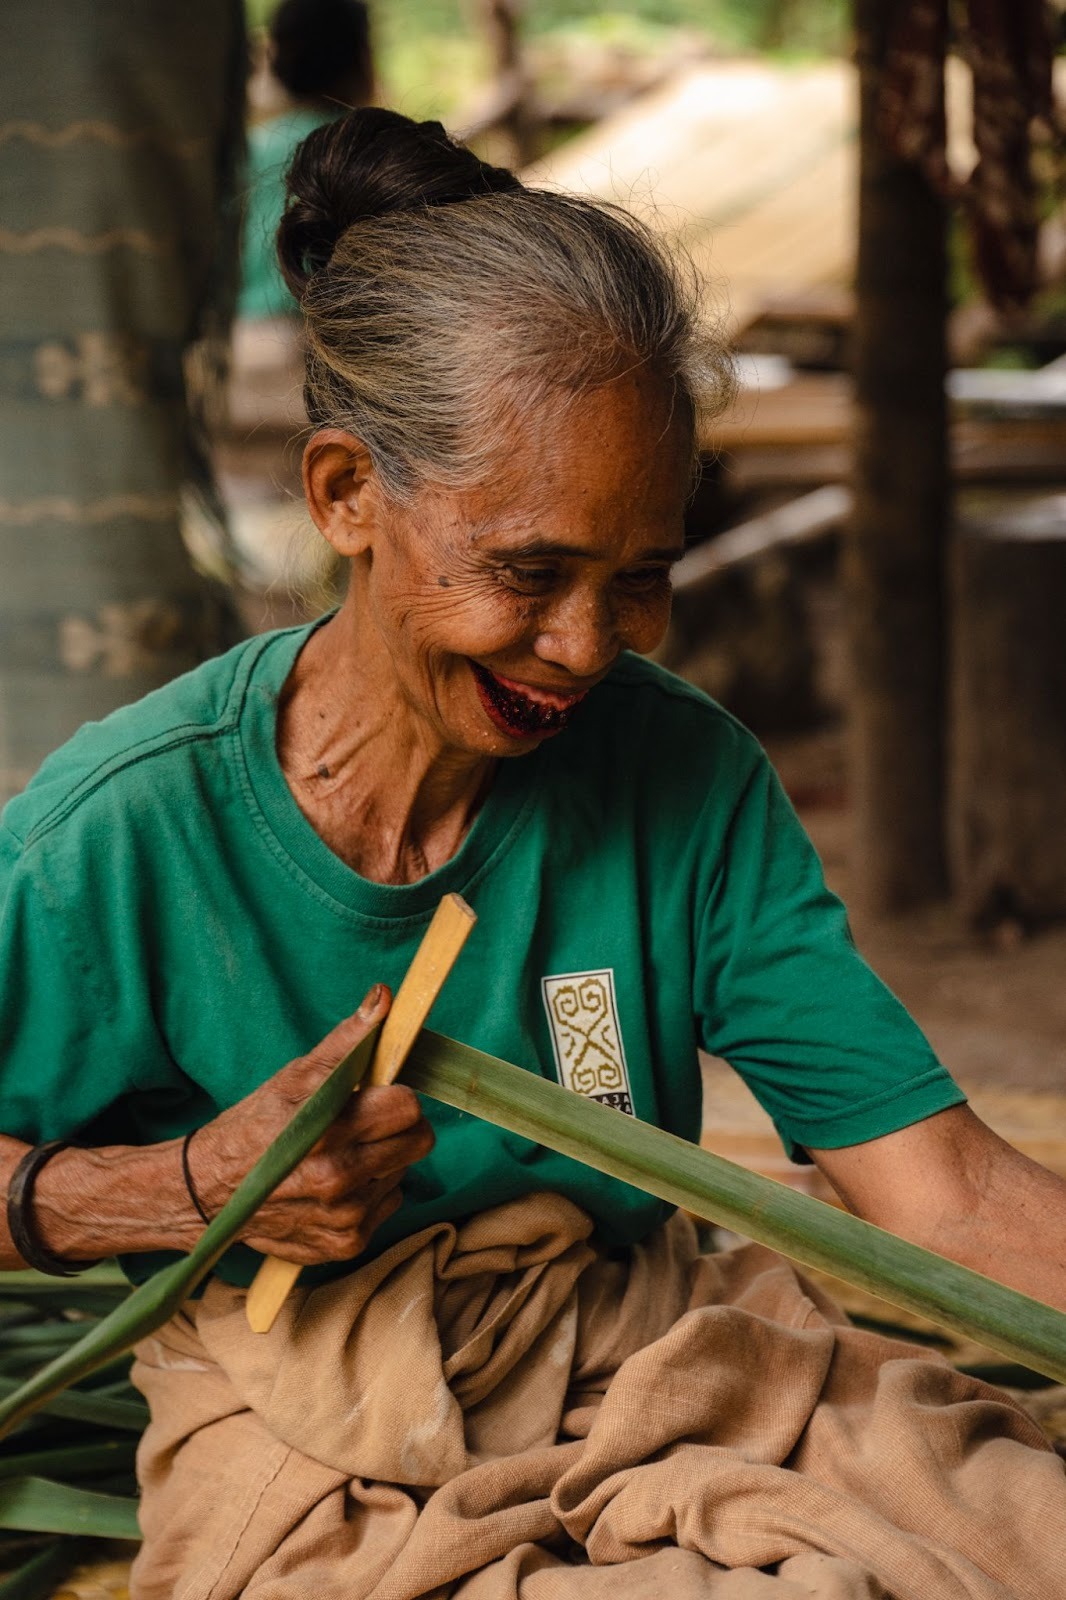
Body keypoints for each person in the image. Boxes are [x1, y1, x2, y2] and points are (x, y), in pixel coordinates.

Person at [1, 109, 1065, 1599]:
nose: (584, 650)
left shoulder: (676, 769)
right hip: (319, 1417)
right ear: (344, 495)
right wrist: (184, 1190)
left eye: (639, 578)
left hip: (651, 1349)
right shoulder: (121, 833)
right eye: (526, 572)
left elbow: (939, 1192)